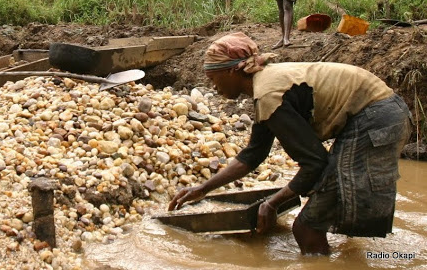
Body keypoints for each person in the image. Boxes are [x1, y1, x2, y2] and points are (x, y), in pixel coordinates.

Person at [168, 32, 412, 255]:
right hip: (383, 114)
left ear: (232, 71)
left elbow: (315, 163)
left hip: (375, 119)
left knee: (306, 227)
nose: (213, 86)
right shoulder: (265, 85)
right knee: (334, 196)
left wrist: (273, 203)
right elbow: (254, 154)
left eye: (213, 78)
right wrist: (204, 189)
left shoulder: (268, 94)